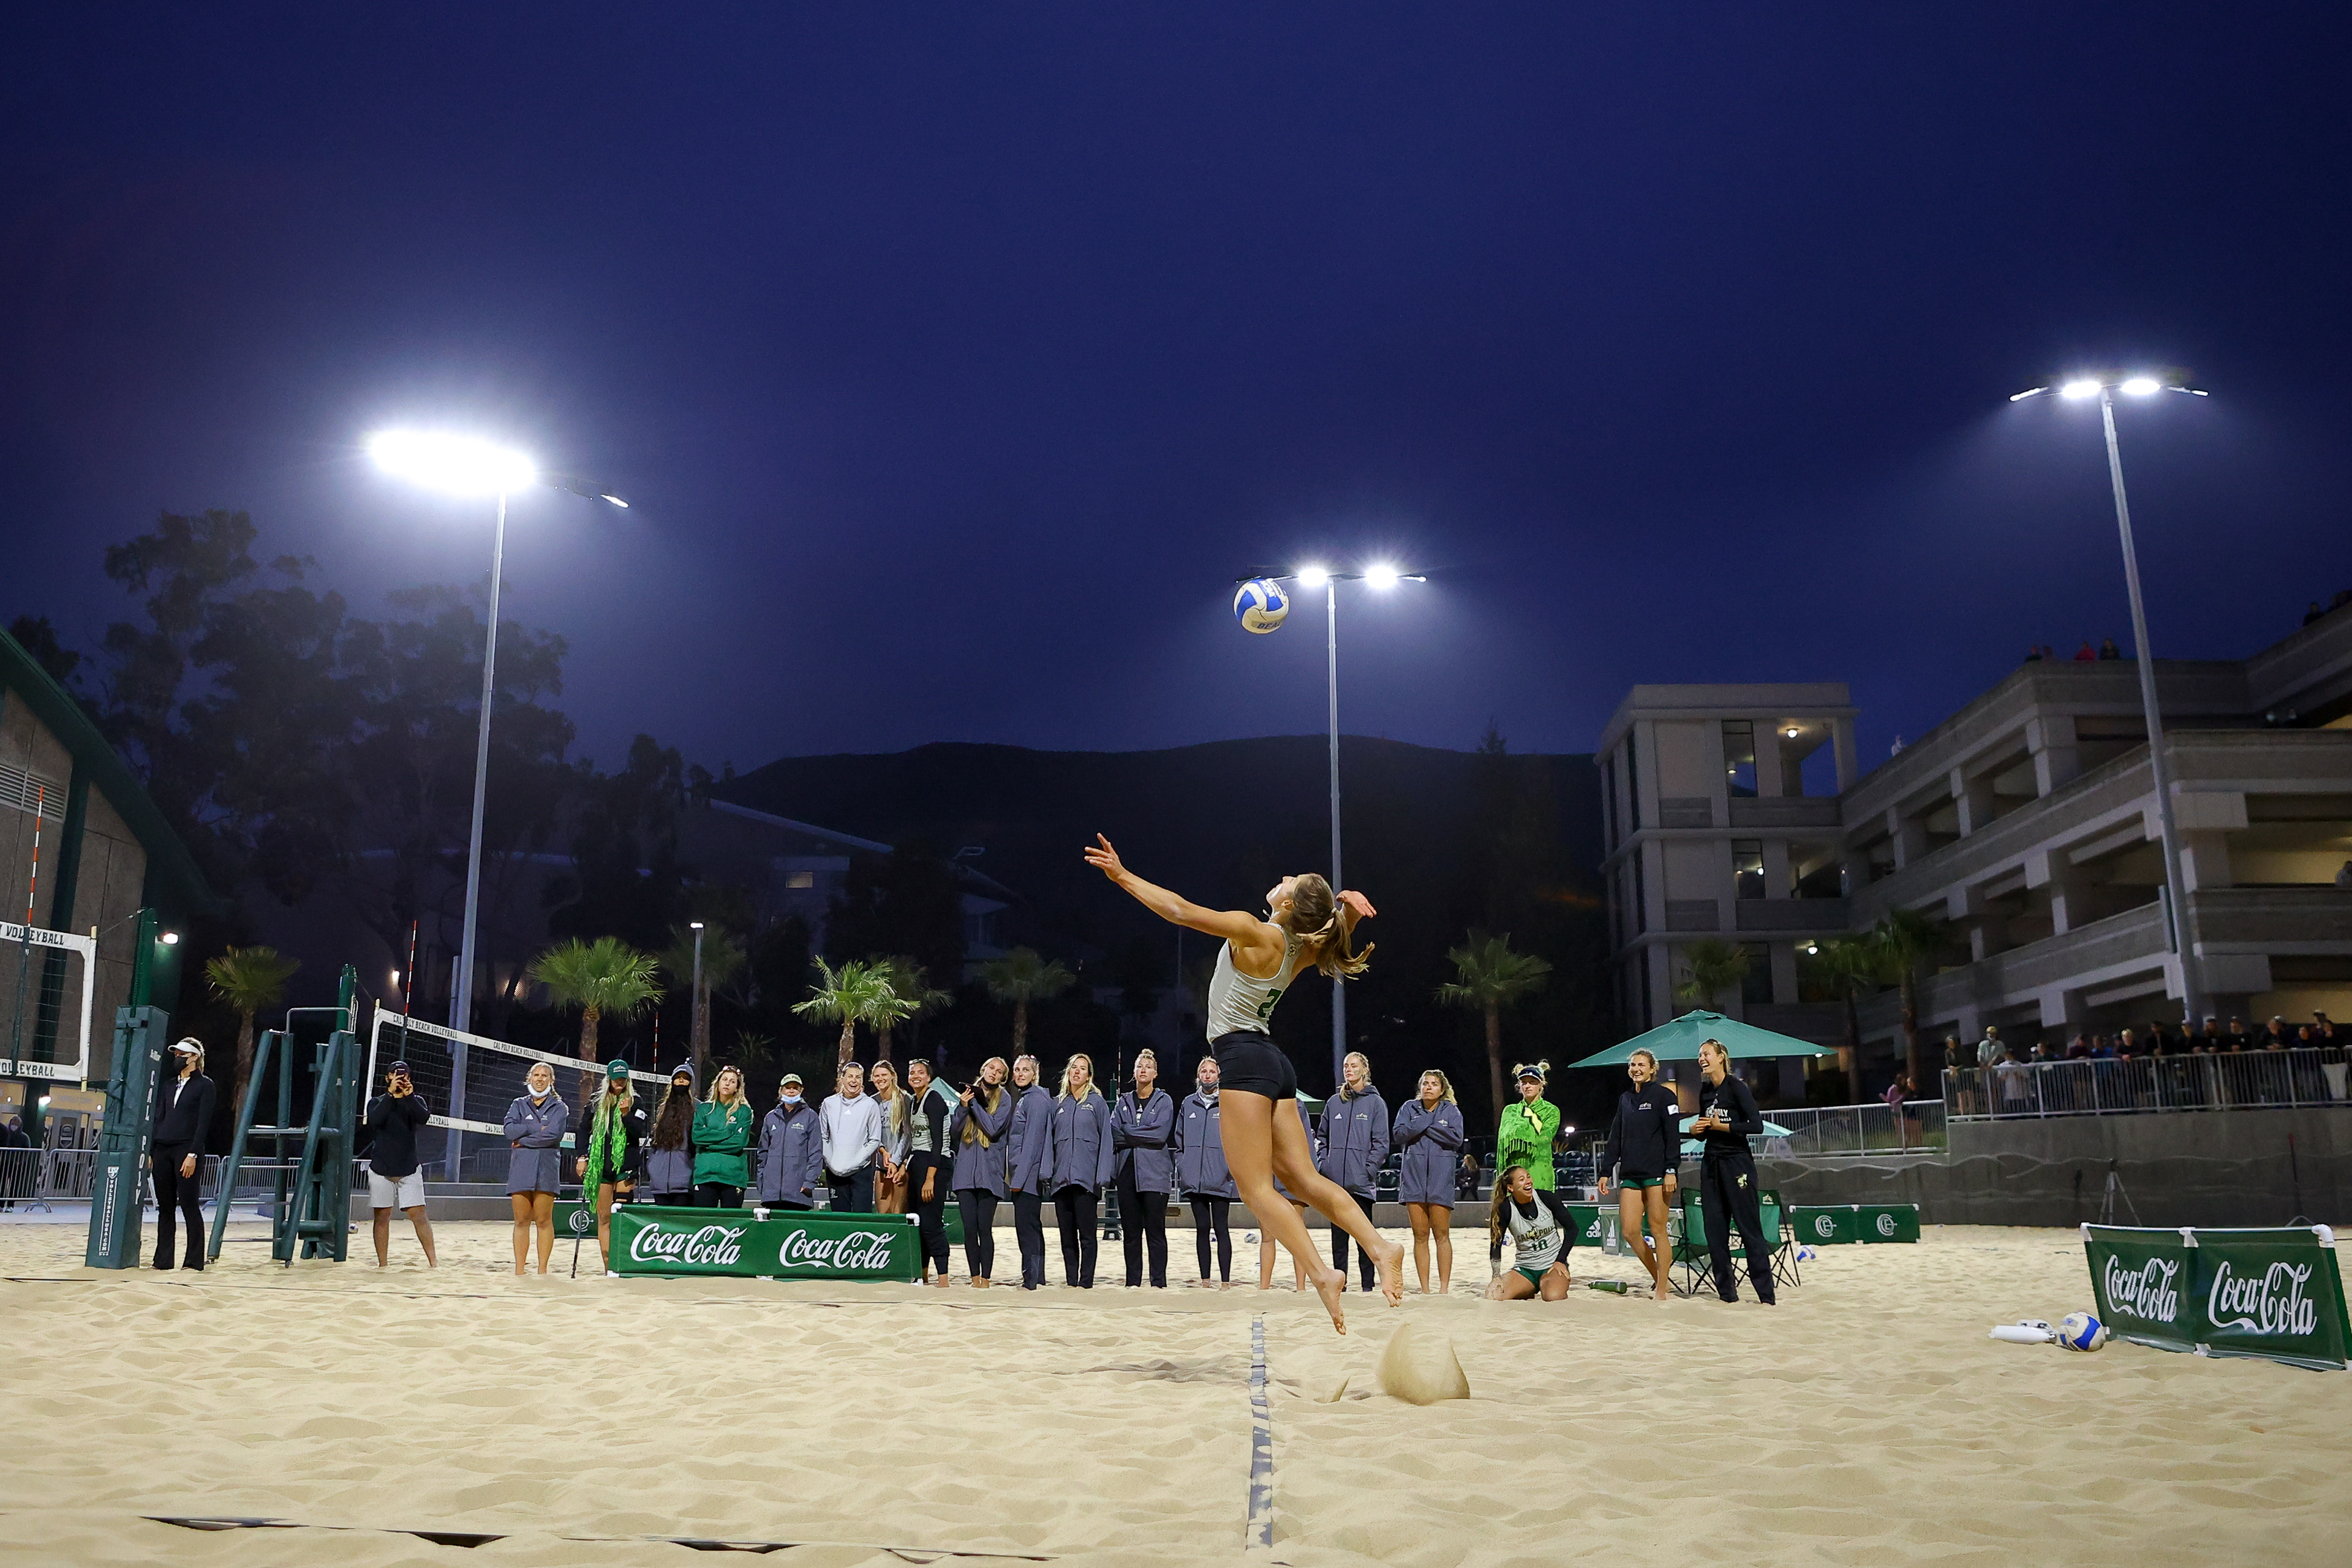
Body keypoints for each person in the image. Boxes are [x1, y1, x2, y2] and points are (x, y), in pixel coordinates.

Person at [1084, 833, 1401, 1332]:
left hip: (1243, 1059)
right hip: (1275, 1063)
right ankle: (1380, 1247)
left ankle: (1322, 1274)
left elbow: (1181, 911)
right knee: (1303, 1181)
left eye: (1287, 881)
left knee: (1255, 1191)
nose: (1280, 880)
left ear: (1289, 903)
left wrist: (1122, 876)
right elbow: (1333, 941)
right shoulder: (1299, 946)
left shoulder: (1258, 932)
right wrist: (1349, 916)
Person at [1692, 1037, 1776, 1305]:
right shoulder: (1704, 1092)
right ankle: (1727, 1295)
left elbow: (1756, 1126)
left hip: (1738, 1163)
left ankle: (1766, 1296)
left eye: (1706, 1054)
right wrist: (1697, 1131)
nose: (1702, 1059)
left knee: (1749, 1229)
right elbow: (1707, 1131)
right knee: (1715, 1232)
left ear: (1721, 1057)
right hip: (1711, 1164)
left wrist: (1724, 1127)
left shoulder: (1737, 1087)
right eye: (1700, 1055)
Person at [1600, 1047, 1680, 1300]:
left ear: (1652, 1069)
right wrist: (1605, 1170)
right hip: (1631, 1174)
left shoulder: (1665, 1096)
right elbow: (1616, 1137)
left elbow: (1673, 1136)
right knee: (1630, 1231)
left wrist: (1671, 1170)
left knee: (1658, 1230)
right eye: (1632, 1065)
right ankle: (1660, 1278)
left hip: (1657, 1173)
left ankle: (1661, 1288)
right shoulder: (1625, 1099)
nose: (1636, 1069)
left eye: (1641, 1065)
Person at [1317, 1050, 1390, 1292]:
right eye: (1346, 1065)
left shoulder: (1376, 1104)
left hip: (1361, 1185)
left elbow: (1382, 1144)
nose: (1349, 1069)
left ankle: (1368, 1287)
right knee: (1339, 1241)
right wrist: (1325, 1166)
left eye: (1354, 1065)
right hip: (1335, 1184)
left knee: (1364, 1240)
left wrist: (1367, 1171)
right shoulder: (1333, 1102)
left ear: (1364, 1071)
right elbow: (1321, 1138)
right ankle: (1342, 1286)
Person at [1393, 1069, 1464, 1295]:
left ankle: (1443, 1289)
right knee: (1420, 1235)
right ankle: (1425, 1289)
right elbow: (1399, 1134)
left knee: (1442, 1235)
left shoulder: (1451, 1110)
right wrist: (1428, 1121)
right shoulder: (1408, 1108)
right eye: (1425, 1083)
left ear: (1442, 1089)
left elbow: (1456, 1139)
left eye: (1434, 1084)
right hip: (1413, 1180)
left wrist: (1423, 1126)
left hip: (1441, 1179)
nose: (1429, 1087)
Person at [361, 1057, 437, 1269]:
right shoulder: (377, 1101)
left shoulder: (416, 1101)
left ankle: (434, 1263)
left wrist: (409, 1096)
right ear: (388, 1078)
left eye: (404, 1075)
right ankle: (383, 1264)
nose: (400, 1078)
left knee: (418, 1215)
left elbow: (423, 1118)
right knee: (382, 1215)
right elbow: (375, 1120)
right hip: (381, 1168)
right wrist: (391, 1095)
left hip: (408, 1168)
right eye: (395, 1075)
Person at [1049, 1052, 1116, 1287]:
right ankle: (1071, 1281)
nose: (1077, 1071)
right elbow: (1049, 1141)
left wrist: (1102, 1175)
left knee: (1087, 1236)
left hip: (1087, 1181)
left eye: (1083, 1069)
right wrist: (1049, 1173)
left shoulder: (1097, 1103)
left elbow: (1107, 1141)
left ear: (1089, 1076)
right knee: (1067, 1237)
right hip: (1061, 1182)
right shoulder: (1058, 1104)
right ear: (1068, 1072)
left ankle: (1086, 1281)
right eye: (1074, 1068)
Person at [1111, 1048, 1177, 1288]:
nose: (1143, 1070)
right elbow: (1115, 1133)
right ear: (1134, 1072)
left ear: (1155, 1073)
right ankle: (1133, 1282)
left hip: (1154, 1175)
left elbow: (1160, 1135)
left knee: (1155, 1232)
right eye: (1140, 1067)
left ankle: (1158, 1282)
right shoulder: (1124, 1101)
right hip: (1127, 1172)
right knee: (1131, 1233)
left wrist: (1130, 1132)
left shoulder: (1164, 1101)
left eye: (1148, 1067)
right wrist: (1136, 1135)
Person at [150, 1038, 217, 1272]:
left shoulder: (205, 1085)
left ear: (194, 1058)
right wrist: (151, 1151)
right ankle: (163, 1260)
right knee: (165, 1207)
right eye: (176, 1054)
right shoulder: (169, 1085)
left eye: (182, 1054)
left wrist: (193, 1154)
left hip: (186, 1149)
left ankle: (193, 1261)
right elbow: (159, 1118)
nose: (177, 1058)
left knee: (189, 1204)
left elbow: (203, 1124)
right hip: (163, 1149)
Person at [573, 1060, 647, 1270]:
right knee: (604, 1217)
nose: (619, 1082)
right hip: (601, 1167)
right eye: (616, 1078)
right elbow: (582, 1130)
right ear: (609, 1078)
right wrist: (582, 1157)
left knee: (621, 1215)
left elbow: (638, 1132)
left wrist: (626, 1114)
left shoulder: (636, 1102)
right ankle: (609, 1266)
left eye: (623, 1078)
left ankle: (622, 1262)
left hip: (626, 1167)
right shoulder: (596, 1102)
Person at [1172, 1055, 1237, 1286]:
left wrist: (1228, 1168)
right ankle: (1206, 1279)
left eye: (1212, 1072)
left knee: (1221, 1229)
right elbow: (1178, 1141)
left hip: (1220, 1179)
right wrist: (1184, 1167)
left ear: (1219, 1075)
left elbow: (1237, 1141)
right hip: (1195, 1181)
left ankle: (1226, 1280)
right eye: (1204, 1072)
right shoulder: (1188, 1104)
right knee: (1202, 1229)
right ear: (1198, 1076)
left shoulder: (1228, 1103)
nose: (1208, 1075)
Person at [950, 1056, 1014, 1287]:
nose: (994, 1073)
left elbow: (993, 1129)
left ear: (1003, 1078)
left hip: (990, 1174)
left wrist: (975, 1105)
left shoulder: (1005, 1099)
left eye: (999, 1072)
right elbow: (954, 1132)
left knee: (984, 1229)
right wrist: (963, 1107)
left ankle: (986, 1278)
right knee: (969, 1229)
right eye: (991, 1068)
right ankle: (974, 1278)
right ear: (983, 1068)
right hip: (965, 1175)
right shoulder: (968, 1097)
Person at [1491, 1061, 1559, 1273]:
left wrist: (1528, 1118)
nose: (1528, 1086)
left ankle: (1550, 1267)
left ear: (1542, 1085)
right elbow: (1504, 1137)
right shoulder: (1510, 1111)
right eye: (1524, 1082)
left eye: (1533, 1082)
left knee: (1544, 1225)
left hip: (1540, 1171)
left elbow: (1544, 1136)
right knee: (1503, 1224)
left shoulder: (1551, 1110)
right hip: (1512, 1173)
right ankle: (1499, 1271)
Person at [503, 1061, 568, 1275]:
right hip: (521, 1168)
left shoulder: (559, 1107)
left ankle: (542, 1270)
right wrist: (535, 1129)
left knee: (543, 1220)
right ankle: (520, 1271)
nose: (540, 1079)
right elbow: (510, 1130)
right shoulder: (518, 1104)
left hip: (546, 1168)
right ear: (529, 1078)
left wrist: (524, 1140)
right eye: (536, 1075)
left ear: (552, 1080)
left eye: (545, 1075)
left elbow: (553, 1135)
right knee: (521, 1220)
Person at [903, 1058, 959, 1285]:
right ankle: (923, 1276)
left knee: (931, 1223)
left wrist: (930, 1178)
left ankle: (943, 1278)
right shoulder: (914, 1101)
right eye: (912, 1073)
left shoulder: (933, 1099)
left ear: (928, 1078)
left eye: (920, 1073)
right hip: (918, 1162)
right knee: (919, 1223)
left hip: (934, 1164)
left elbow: (939, 1143)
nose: (916, 1076)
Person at [1483, 1165, 1575, 1301]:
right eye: (1521, 1180)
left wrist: (1561, 1261)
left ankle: (1546, 1284)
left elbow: (1573, 1229)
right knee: (1494, 1295)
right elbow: (1496, 1243)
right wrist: (1496, 1276)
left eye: (1528, 1177)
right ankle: (1527, 1289)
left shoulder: (1547, 1198)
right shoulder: (1506, 1208)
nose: (1528, 1181)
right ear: (1511, 1188)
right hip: (1525, 1269)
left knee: (1552, 1297)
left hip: (1552, 1265)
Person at [1004, 1054, 1055, 1288]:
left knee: (1027, 1230)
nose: (1020, 1074)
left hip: (1027, 1179)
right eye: (1017, 1070)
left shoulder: (1035, 1100)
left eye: (1025, 1070)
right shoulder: (1027, 1099)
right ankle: (1037, 1278)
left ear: (1035, 1074)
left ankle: (1031, 1280)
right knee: (1032, 1228)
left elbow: (1033, 1144)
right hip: (1024, 1177)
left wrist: (1019, 1180)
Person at [1259, 1099, 1320, 1293]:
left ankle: (1300, 1288)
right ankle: (1264, 1287)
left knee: (1297, 1234)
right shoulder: (1256, 1104)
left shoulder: (1297, 1106)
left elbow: (1306, 1143)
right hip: (1265, 1176)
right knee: (1267, 1236)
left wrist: (1307, 1176)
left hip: (1291, 1175)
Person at [821, 1061, 884, 1213]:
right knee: (839, 1219)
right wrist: (833, 1163)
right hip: (835, 1174)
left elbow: (875, 1139)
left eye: (858, 1077)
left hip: (861, 1173)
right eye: (850, 1076)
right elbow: (822, 1136)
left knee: (862, 1221)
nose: (853, 1081)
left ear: (862, 1081)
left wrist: (855, 1162)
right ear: (842, 1079)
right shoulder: (829, 1103)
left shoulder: (870, 1105)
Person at [755, 1072, 824, 1211]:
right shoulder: (771, 1118)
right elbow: (762, 1153)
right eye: (788, 1087)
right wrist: (762, 1182)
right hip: (771, 1195)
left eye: (795, 1088)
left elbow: (816, 1154)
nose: (791, 1091)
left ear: (801, 1091)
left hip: (799, 1194)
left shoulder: (811, 1117)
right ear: (781, 1091)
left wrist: (809, 1183)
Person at [691, 1065, 755, 1208]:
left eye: (732, 1081)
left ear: (738, 1087)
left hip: (733, 1178)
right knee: (704, 1225)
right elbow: (697, 1138)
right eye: (724, 1079)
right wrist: (727, 1133)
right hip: (705, 1176)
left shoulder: (744, 1112)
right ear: (718, 1083)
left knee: (731, 1227)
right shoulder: (704, 1109)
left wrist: (709, 1141)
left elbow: (738, 1144)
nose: (727, 1083)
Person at [645, 1065, 698, 1204]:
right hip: (660, 1182)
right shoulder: (663, 1108)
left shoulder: (698, 1108)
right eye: (678, 1078)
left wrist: (692, 1167)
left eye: (685, 1079)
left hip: (685, 1182)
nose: (681, 1081)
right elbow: (654, 1140)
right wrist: (653, 1165)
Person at [870, 1058, 911, 1215]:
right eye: (876, 1076)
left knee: (898, 1213)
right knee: (883, 1215)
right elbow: (872, 1133)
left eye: (884, 1075)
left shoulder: (905, 1099)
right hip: (881, 1166)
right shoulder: (872, 1102)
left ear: (892, 1076)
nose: (880, 1079)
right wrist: (882, 1151)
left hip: (901, 1166)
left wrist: (896, 1161)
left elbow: (908, 1134)